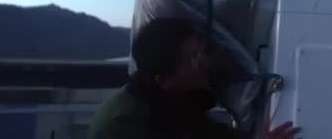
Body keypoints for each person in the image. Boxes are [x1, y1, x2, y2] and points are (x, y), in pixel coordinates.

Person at [88, 17, 300, 139]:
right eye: (191, 60)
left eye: (202, 52)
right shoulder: (124, 126)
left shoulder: (176, 98)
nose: (205, 62)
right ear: (164, 80)